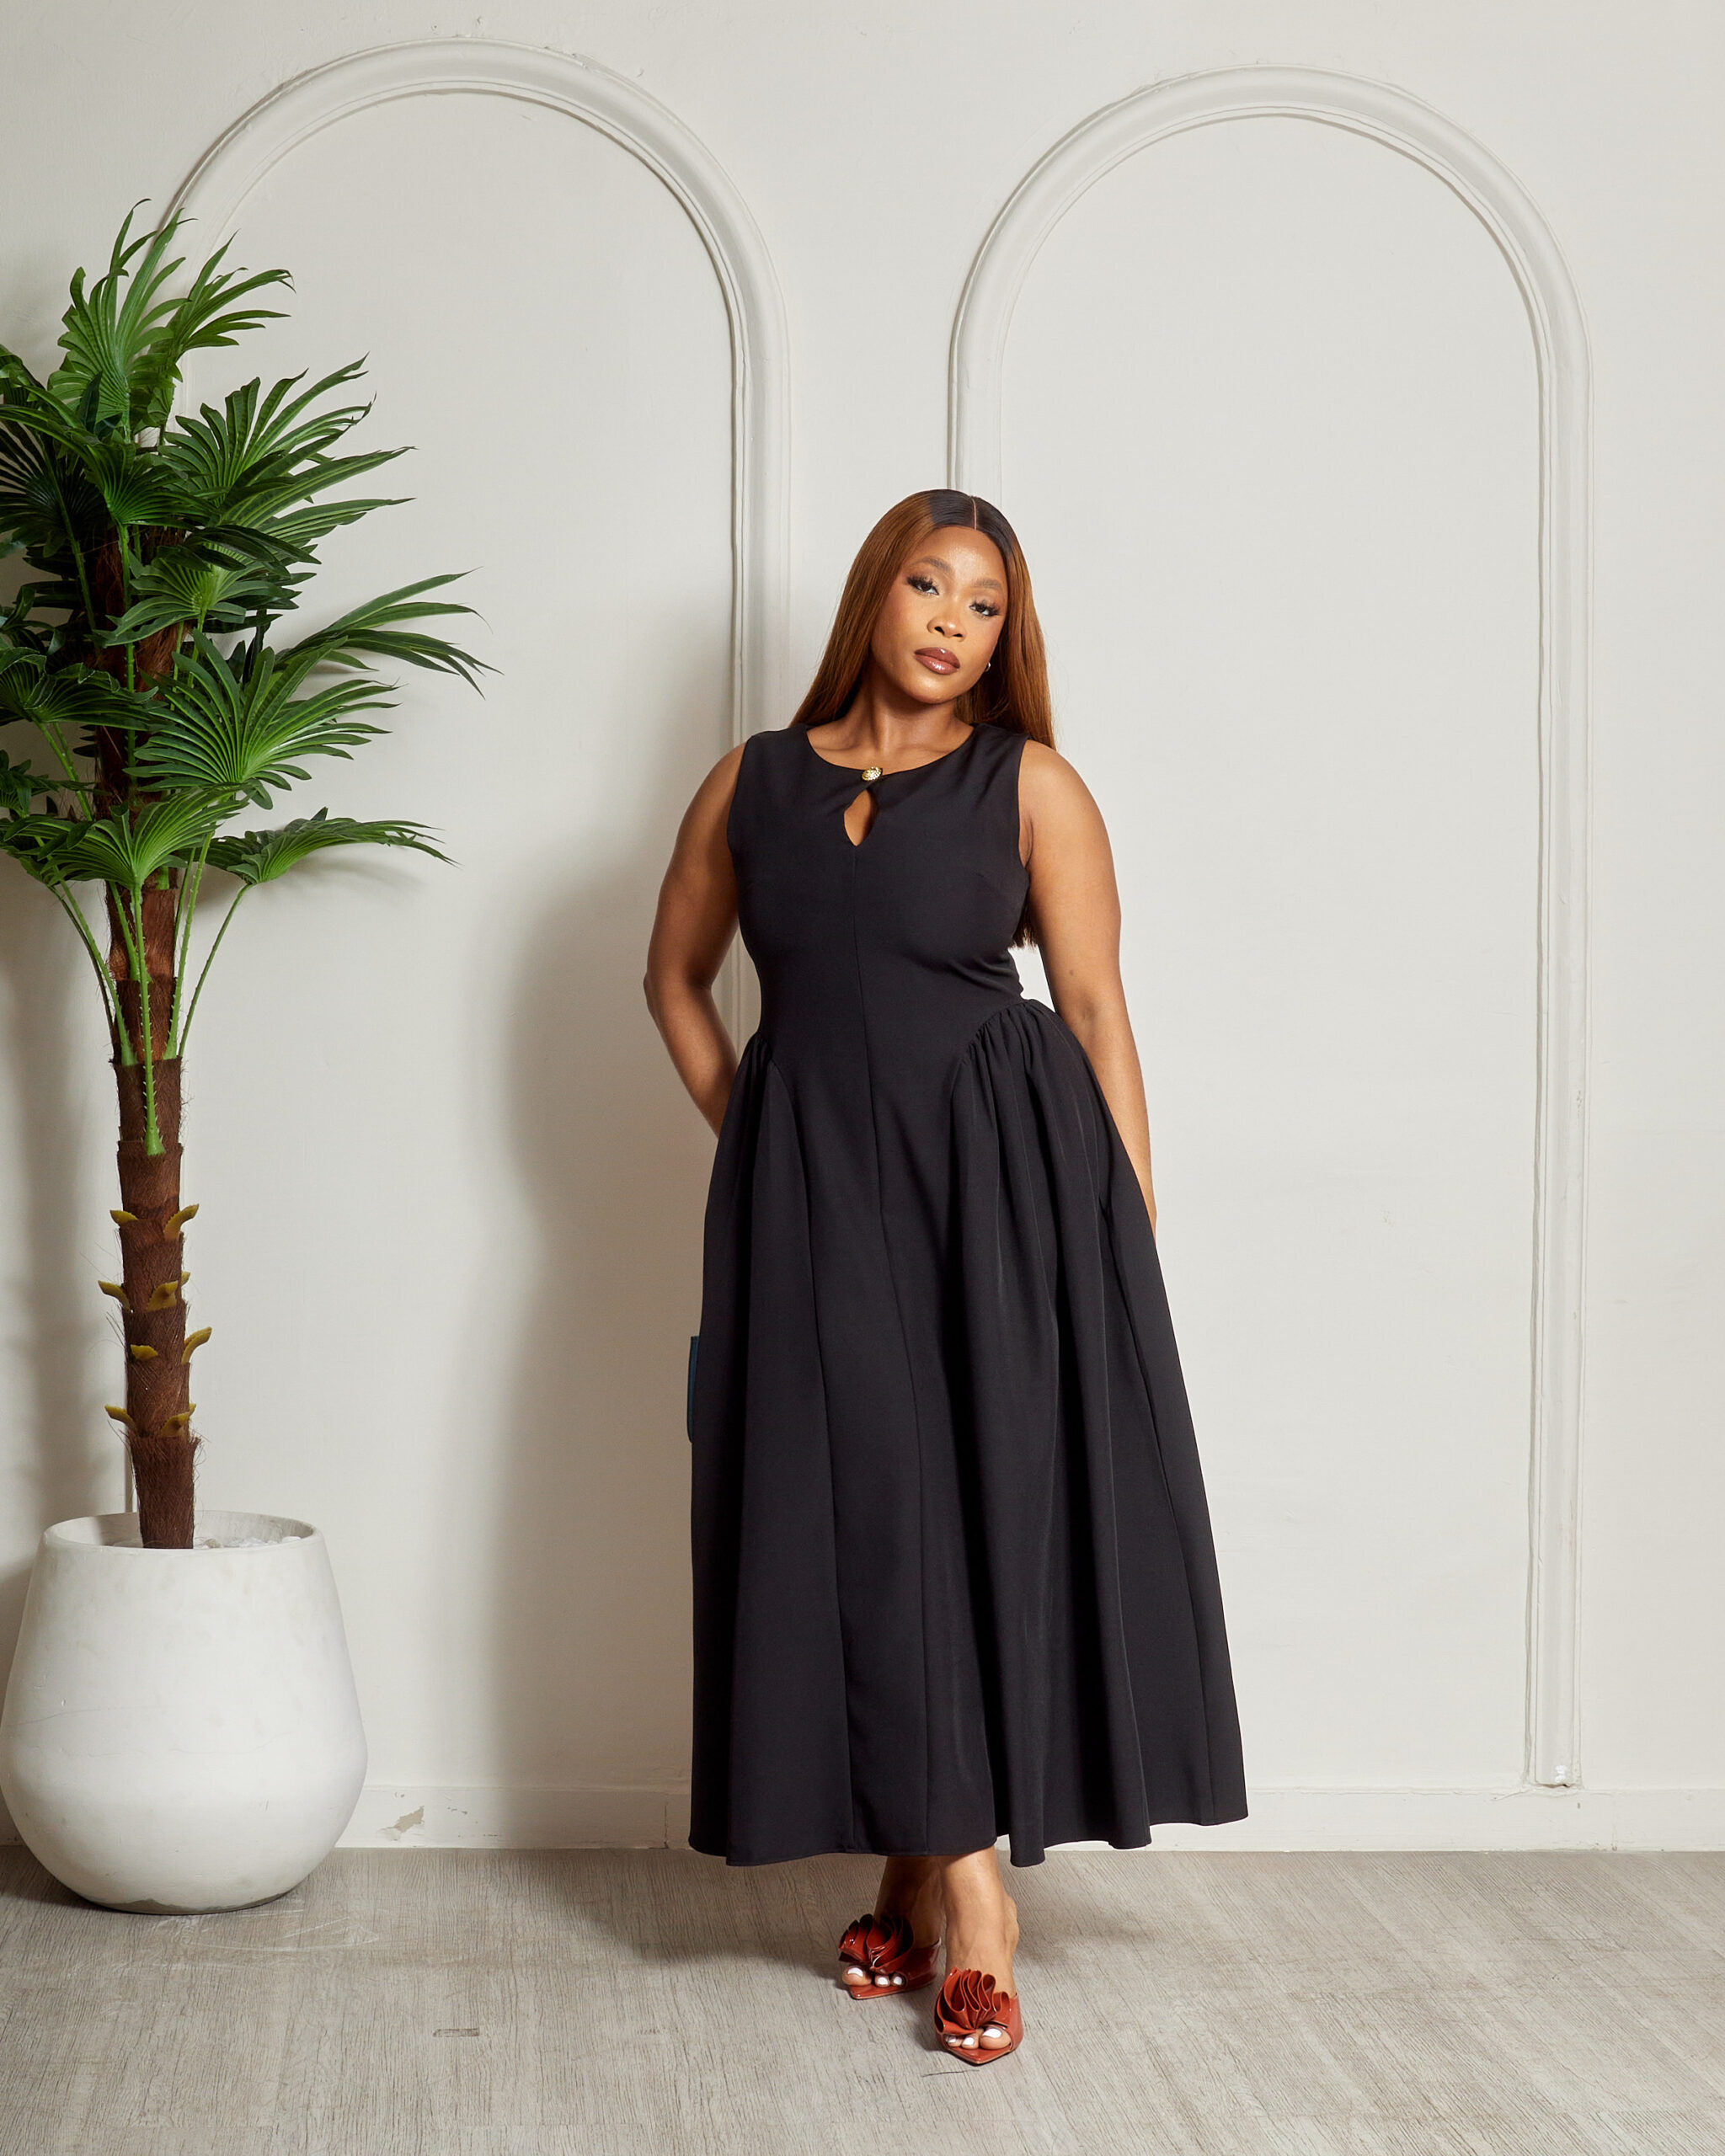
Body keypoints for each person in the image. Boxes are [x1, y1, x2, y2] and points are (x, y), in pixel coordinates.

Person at [644, 489, 1247, 2064]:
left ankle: (959, 1900)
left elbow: (1098, 1015)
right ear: (876, 594)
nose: (952, 623)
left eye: (986, 607)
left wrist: (1122, 1229)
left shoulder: (1030, 784)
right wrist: (762, 1136)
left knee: (965, 1511)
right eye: (930, 585)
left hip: (1003, 1190)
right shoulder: (752, 782)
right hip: (814, 1204)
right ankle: (936, 1874)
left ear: (1004, 640)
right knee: (860, 1510)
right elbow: (675, 980)